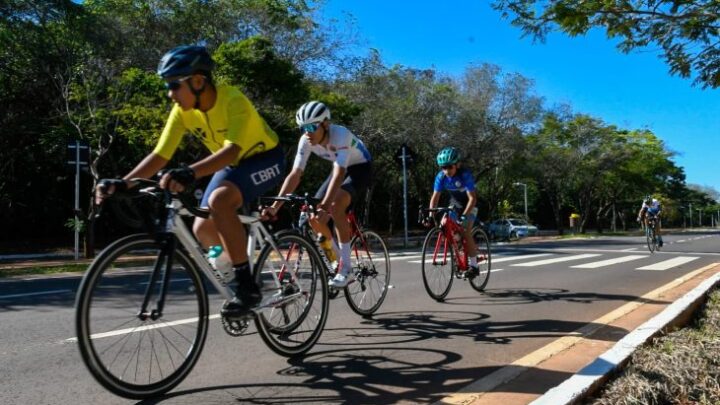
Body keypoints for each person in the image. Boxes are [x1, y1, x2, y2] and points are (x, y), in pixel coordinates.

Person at [95, 45, 285, 317]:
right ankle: (231, 268)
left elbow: (232, 150)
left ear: (198, 81)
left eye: (174, 85)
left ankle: (248, 286)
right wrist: (125, 182)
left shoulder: (233, 100)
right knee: (202, 228)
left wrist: (189, 172)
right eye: (167, 86)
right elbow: (160, 154)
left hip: (265, 157)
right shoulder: (182, 110)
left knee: (220, 202)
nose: (170, 94)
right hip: (231, 164)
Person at [261, 101, 372, 288]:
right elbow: (295, 174)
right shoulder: (306, 140)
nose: (307, 132)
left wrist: (326, 206)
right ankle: (336, 260)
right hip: (339, 169)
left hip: (360, 168)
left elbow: (339, 173)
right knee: (313, 217)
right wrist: (275, 207)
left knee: (336, 206)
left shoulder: (340, 135)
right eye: (303, 128)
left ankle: (346, 270)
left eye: (312, 126)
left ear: (325, 124)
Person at [424, 147, 480, 278]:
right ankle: (458, 248)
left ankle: (474, 266)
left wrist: (465, 216)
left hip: (470, 204)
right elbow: (435, 196)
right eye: (443, 167)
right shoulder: (441, 176)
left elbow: (472, 198)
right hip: (455, 204)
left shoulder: (465, 175)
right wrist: (430, 215)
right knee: (444, 223)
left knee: (465, 231)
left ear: (457, 165)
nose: (446, 171)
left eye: (449, 167)